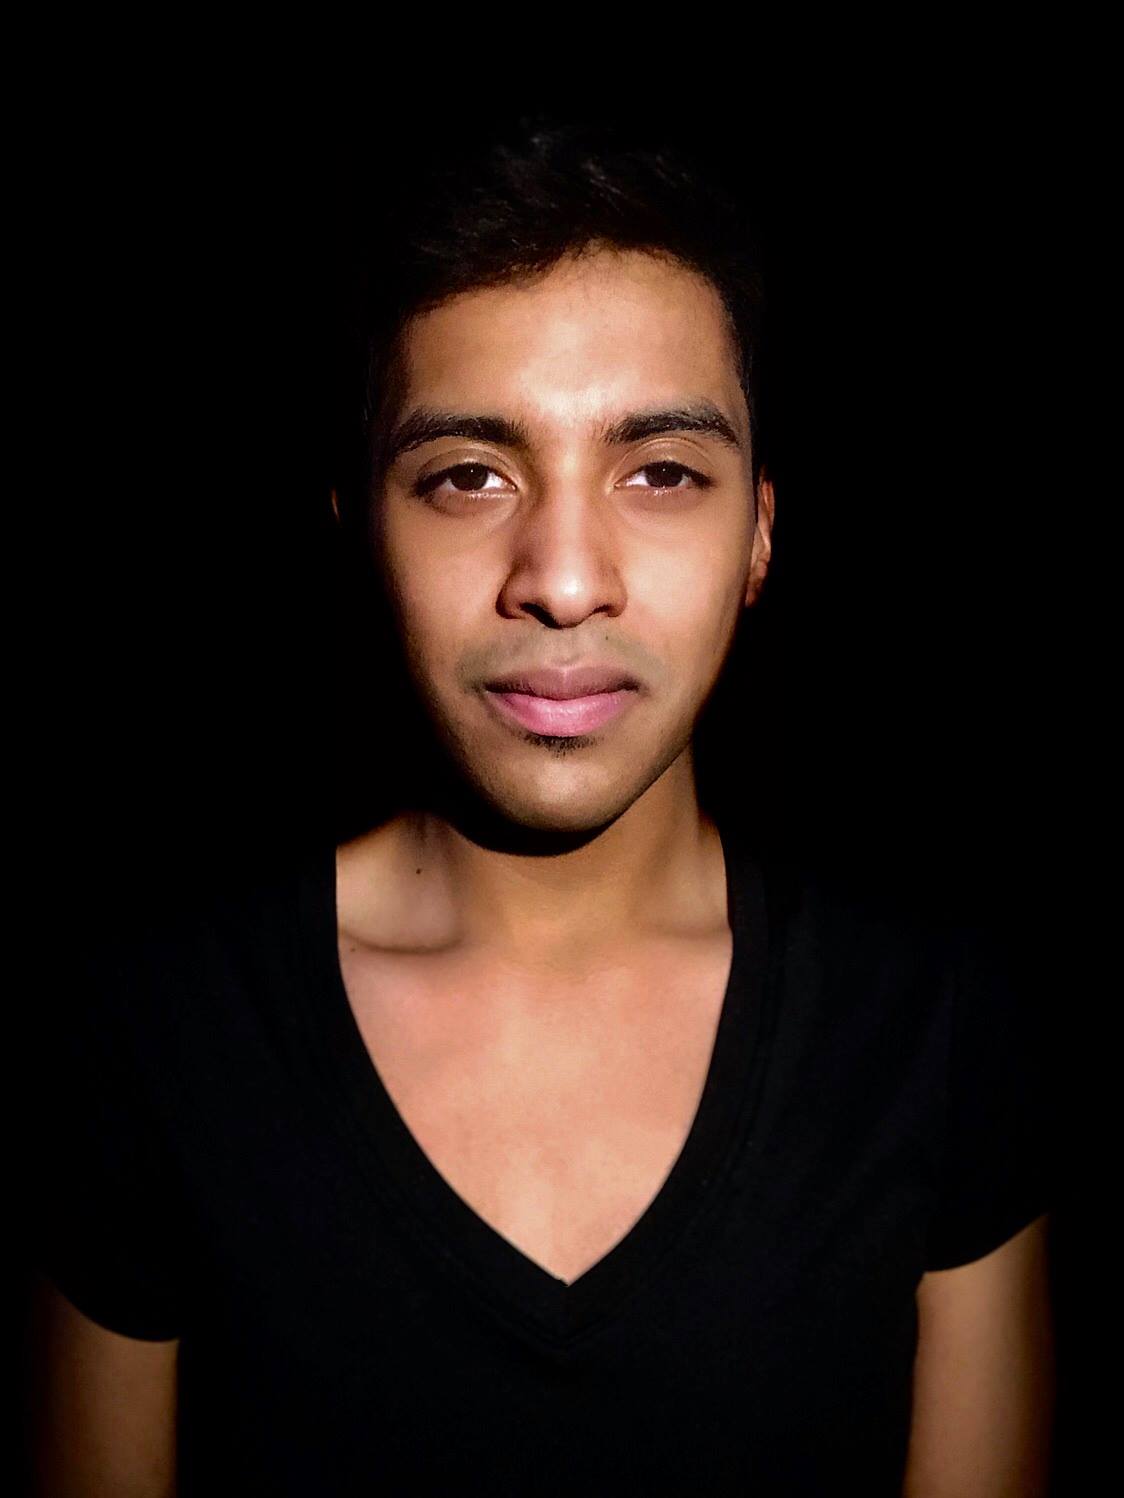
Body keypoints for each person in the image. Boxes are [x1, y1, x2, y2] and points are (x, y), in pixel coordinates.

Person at [27, 116, 1054, 1495]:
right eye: (469, 476)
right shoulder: (161, 1036)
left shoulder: (931, 1030)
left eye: (661, 472)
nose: (564, 579)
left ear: (760, 530)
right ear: (362, 530)